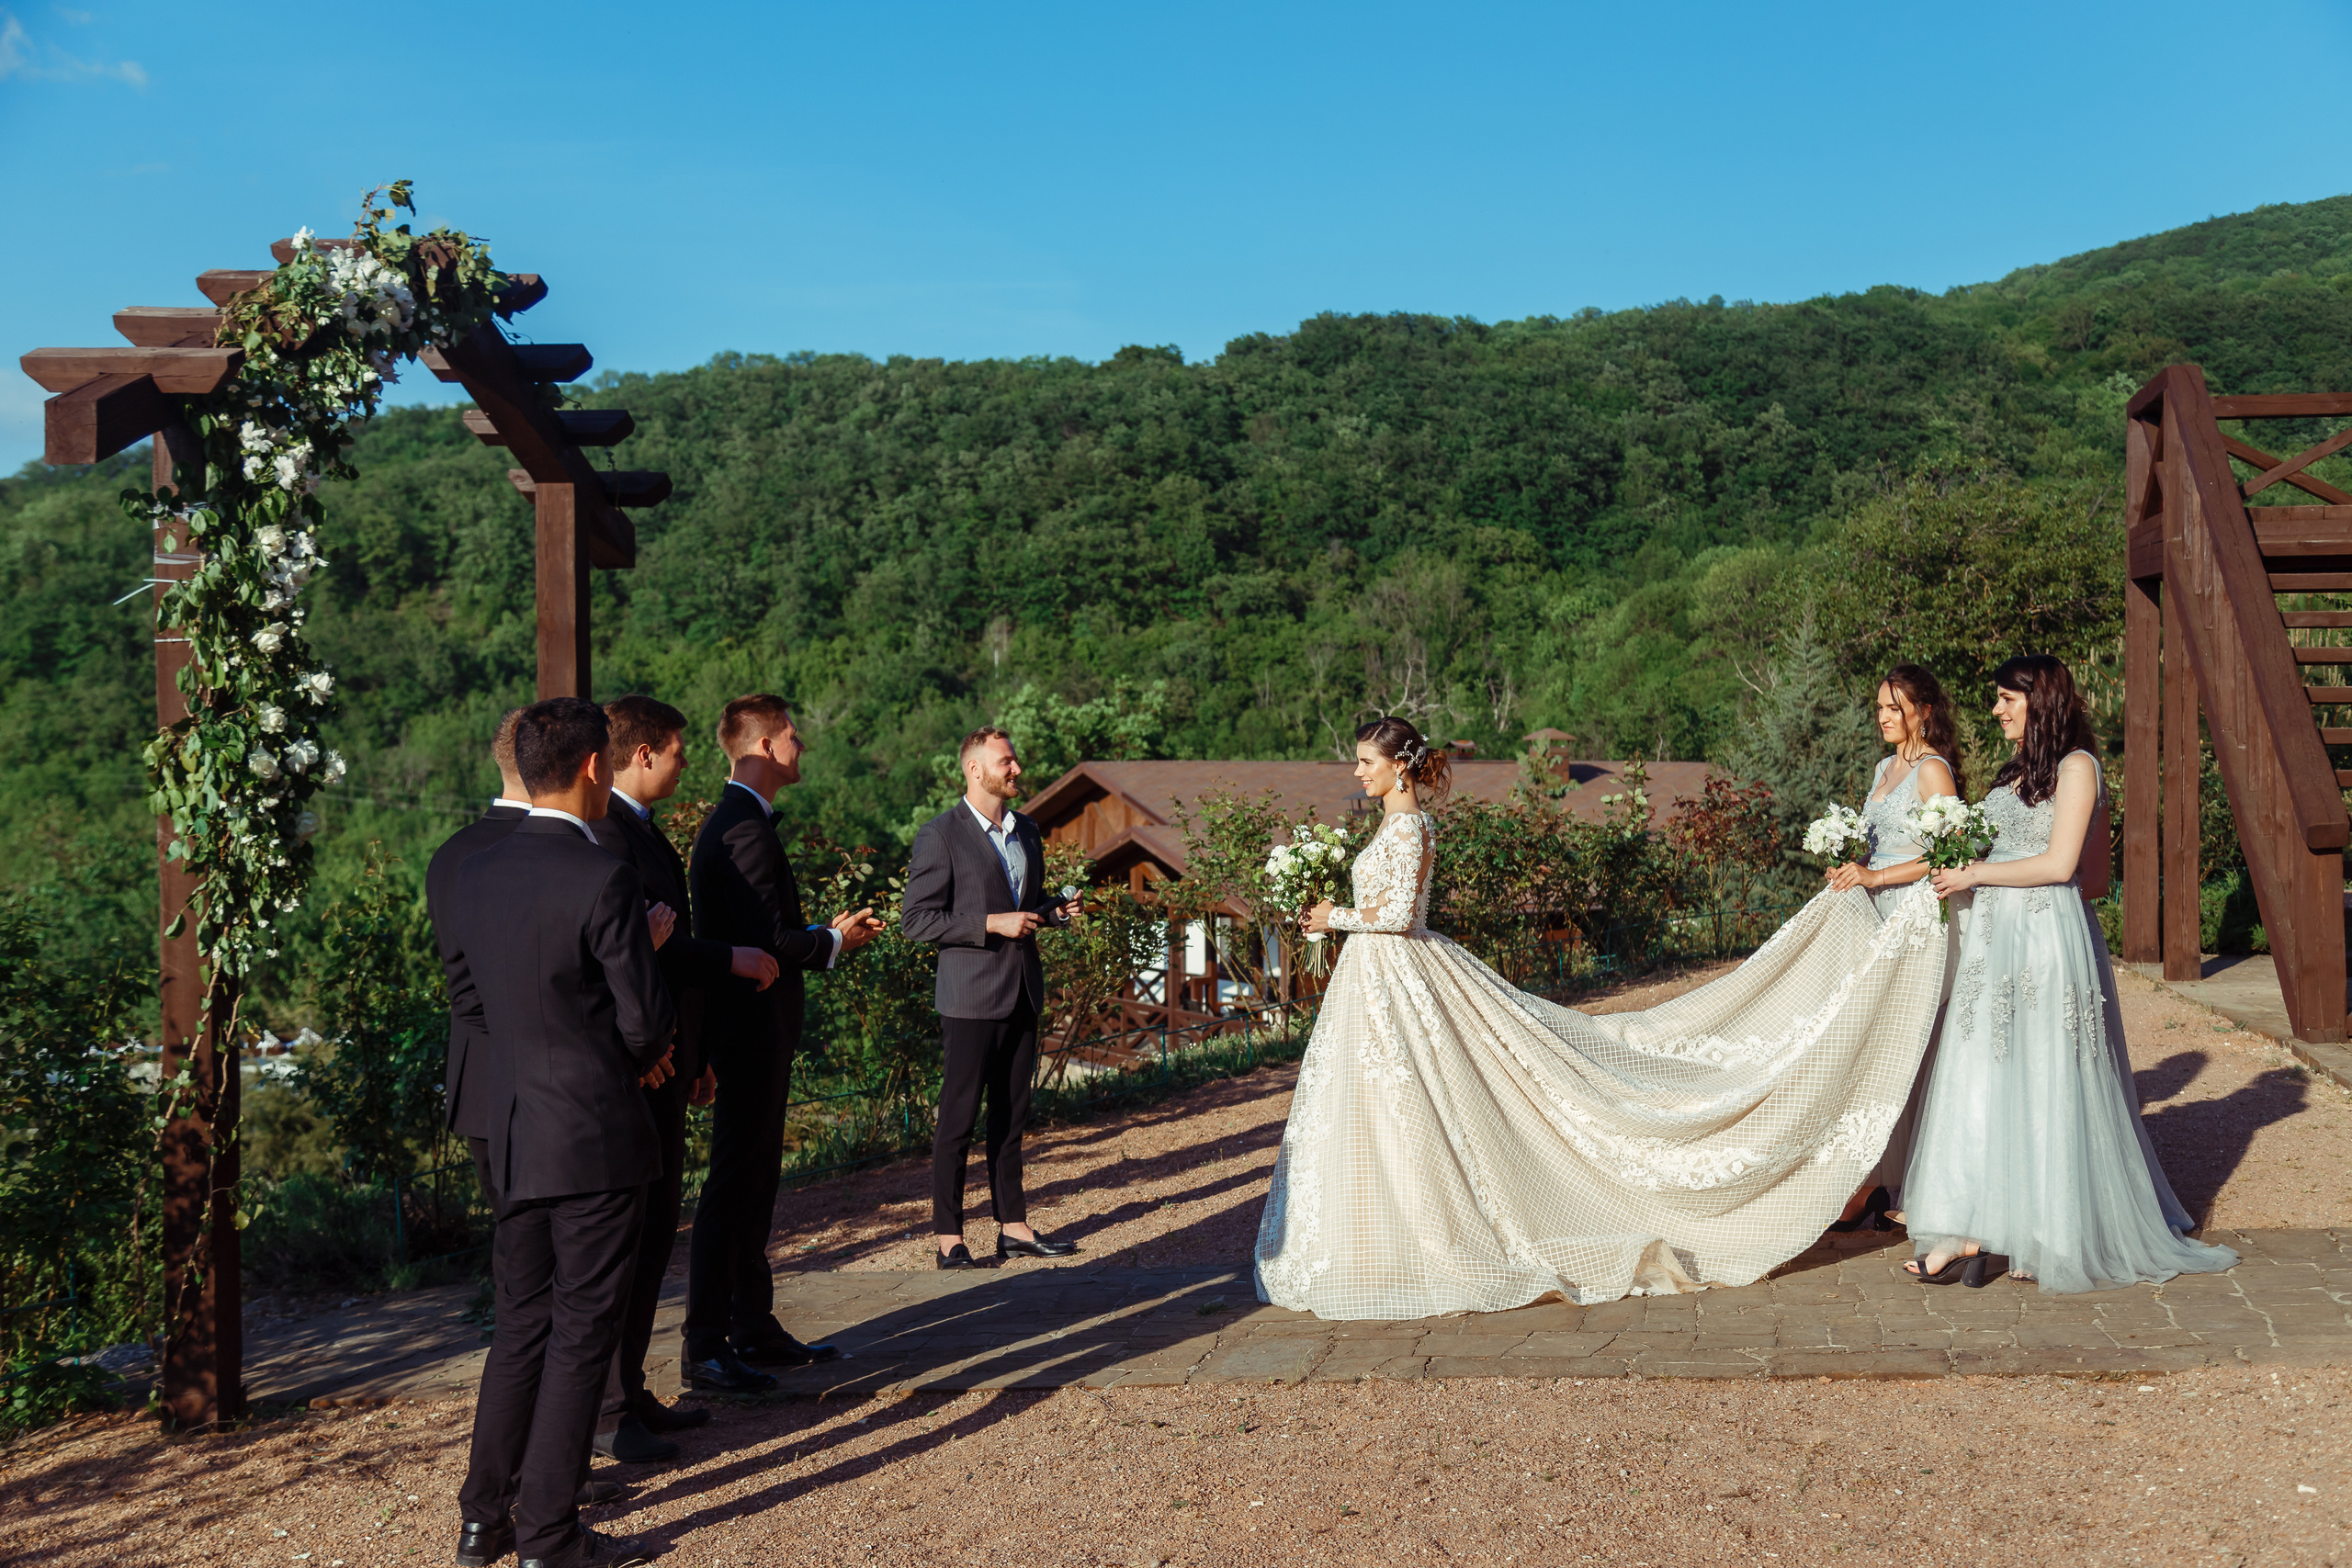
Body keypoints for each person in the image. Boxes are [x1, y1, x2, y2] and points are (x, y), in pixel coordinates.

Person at [1254, 716, 1951, 1321]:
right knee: (1377, 1108)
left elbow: (1403, 915)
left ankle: (1430, 1237)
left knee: (1416, 1102)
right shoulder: (1390, 823)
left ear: (1398, 766)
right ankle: (1382, 1235)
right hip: (1375, 983)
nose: (1357, 772)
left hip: (1397, 973)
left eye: (1366, 762)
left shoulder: (1409, 826)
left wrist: (1333, 916)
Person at [1909, 655, 2238, 1292]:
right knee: (1986, 1075)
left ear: (2042, 700)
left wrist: (1977, 872)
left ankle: (2048, 1230)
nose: (1999, 710)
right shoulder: (2012, 775)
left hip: (2045, 938)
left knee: (2048, 1075)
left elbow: (2067, 867)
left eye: (2008, 699)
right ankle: (1978, 1226)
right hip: (1997, 941)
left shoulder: (2078, 768)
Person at [447, 697, 673, 1568]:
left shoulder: (472, 869)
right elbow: (646, 1023)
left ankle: (482, 1519)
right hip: (593, 1133)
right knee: (582, 1330)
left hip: (510, 1127)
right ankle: (547, 1536)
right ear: (592, 768)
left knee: (520, 1324)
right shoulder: (601, 876)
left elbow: (471, 1007)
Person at [590, 695, 783, 1463]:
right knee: (627, 1242)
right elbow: (643, 948)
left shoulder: (638, 830)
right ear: (642, 755)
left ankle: (632, 1390)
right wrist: (726, 957)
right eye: (675, 750)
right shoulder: (606, 834)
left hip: (670, 1053)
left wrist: (693, 1051)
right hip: (637, 1061)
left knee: (653, 1232)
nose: (685, 761)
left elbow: (669, 940)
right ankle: (612, 1409)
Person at [684, 694, 881, 1388]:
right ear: (765, 745)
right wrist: (835, 940)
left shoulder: (741, 823)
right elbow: (764, 942)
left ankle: (750, 1324)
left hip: (752, 1029)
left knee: (754, 1182)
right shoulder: (741, 829)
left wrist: (821, 936)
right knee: (735, 1183)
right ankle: (707, 1340)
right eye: (794, 736)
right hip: (747, 1030)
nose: (803, 746)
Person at [901, 727, 1083, 1269]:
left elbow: (1022, 907)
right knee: (957, 1121)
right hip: (968, 998)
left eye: (1016, 760)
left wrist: (1052, 911)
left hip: (1023, 989)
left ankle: (1013, 1226)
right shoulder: (940, 835)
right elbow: (916, 921)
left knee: (1011, 1118)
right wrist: (991, 924)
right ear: (975, 770)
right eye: (1007, 761)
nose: (1017, 769)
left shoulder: (1027, 830)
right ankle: (948, 1237)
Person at [1821, 664, 1964, 1230]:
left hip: (1914, 919)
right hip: (1874, 920)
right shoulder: (1885, 766)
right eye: (1878, 707)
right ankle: (1875, 1180)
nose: (1882, 718)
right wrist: (1852, 866)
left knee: (1905, 1049)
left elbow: (1951, 856)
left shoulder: (1933, 772)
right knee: (1875, 1045)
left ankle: (1905, 1182)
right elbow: (1878, 844)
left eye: (1892, 708)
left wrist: (1879, 879)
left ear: (1922, 711)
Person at [427, 708, 530, 1159]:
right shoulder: (568, 850)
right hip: (554, 1080)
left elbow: (464, 987)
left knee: (513, 1228)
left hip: (482, 1081)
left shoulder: (450, 853)